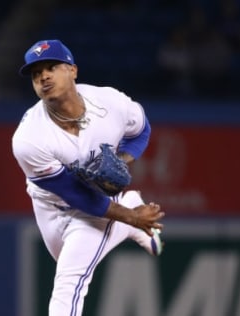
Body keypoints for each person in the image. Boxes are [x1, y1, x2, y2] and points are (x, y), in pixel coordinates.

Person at [11, 39, 165, 316]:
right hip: (49, 205)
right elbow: (74, 193)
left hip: (96, 203)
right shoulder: (28, 138)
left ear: (73, 70)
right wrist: (132, 217)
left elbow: (141, 130)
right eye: (36, 74)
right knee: (68, 258)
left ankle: (125, 215)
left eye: (51, 67)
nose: (43, 76)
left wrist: (123, 160)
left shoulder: (110, 102)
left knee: (70, 280)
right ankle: (129, 210)